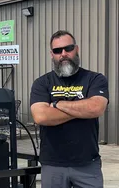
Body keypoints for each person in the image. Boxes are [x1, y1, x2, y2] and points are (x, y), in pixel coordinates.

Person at [30, 30, 109, 188]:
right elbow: (41, 117)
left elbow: (96, 108)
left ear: (77, 49)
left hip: (87, 164)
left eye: (68, 48)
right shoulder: (42, 83)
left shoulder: (95, 79)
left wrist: (57, 104)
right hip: (53, 165)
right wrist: (81, 110)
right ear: (52, 54)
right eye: (58, 50)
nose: (63, 54)